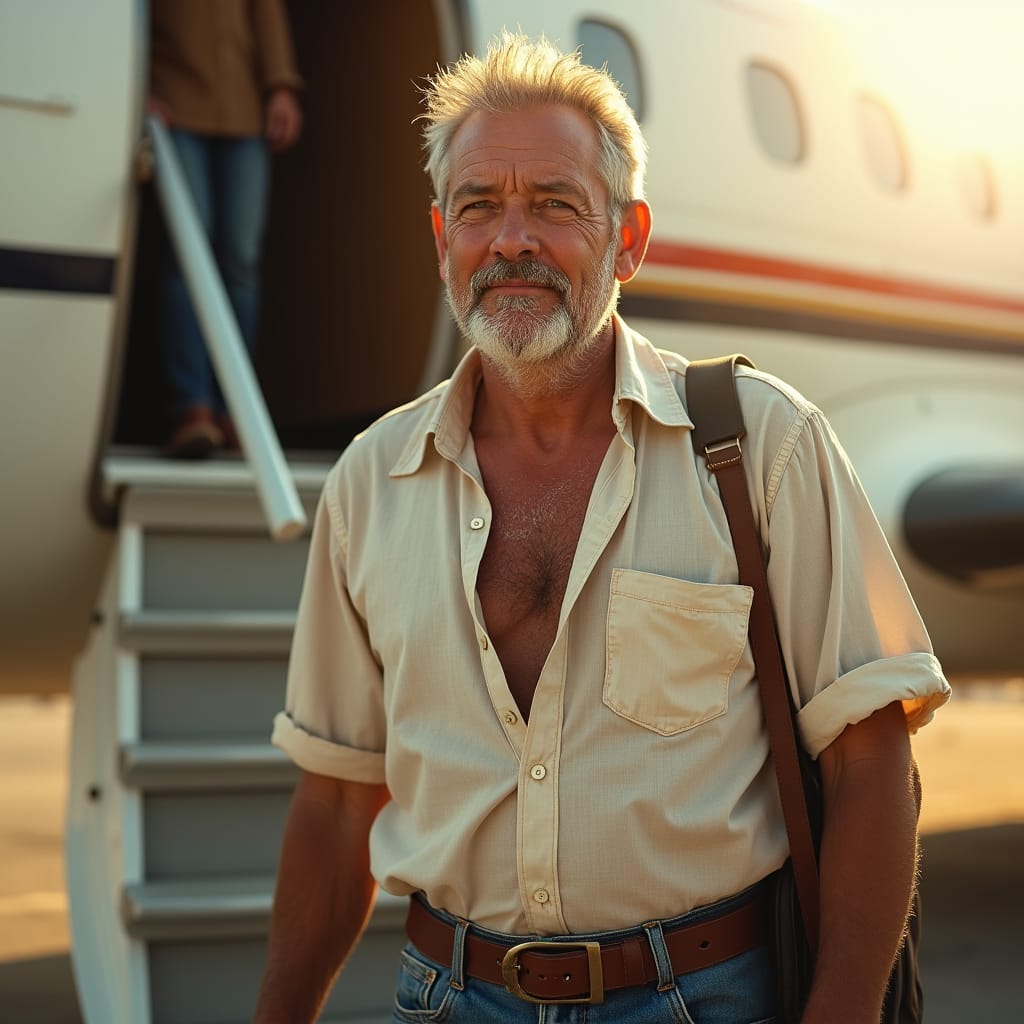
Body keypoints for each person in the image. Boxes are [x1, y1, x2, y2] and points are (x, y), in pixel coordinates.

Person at [254, 32, 950, 1023]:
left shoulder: (763, 447)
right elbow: (333, 804)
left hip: (705, 997)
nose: (511, 240)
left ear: (628, 238)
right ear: (441, 238)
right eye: (478, 206)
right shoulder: (370, 483)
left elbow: (870, 762)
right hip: (450, 997)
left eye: (554, 203)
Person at [147, 0, 303, 458]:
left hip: (244, 108)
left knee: (240, 260)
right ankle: (192, 406)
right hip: (171, 101)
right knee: (187, 255)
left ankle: (234, 407)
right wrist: (135, 84)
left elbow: (265, 11)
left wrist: (281, 86)